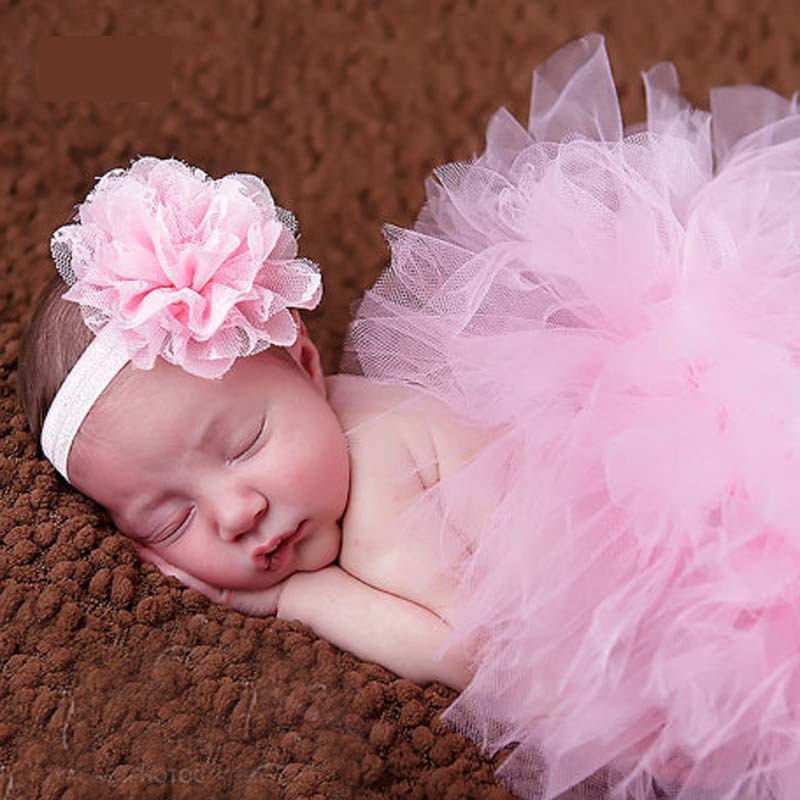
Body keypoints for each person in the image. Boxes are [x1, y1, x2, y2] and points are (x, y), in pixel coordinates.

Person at [15, 31, 800, 800]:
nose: (235, 511)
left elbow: (479, 659)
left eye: (245, 442)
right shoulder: (352, 428)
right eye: (169, 519)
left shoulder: (381, 471)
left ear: (307, 364)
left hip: (672, 623)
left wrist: (301, 600)